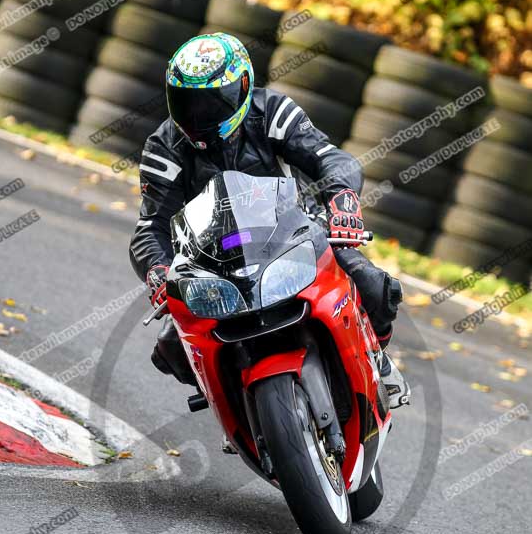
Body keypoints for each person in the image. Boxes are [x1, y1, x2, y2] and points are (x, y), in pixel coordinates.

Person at [130, 32, 410, 416]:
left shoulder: (273, 111)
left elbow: (330, 159)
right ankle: (237, 403)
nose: (199, 115)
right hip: (214, 260)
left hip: (293, 233)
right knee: (171, 350)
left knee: (373, 285)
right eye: (187, 102)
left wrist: (342, 201)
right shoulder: (163, 147)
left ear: (243, 85)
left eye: (213, 101)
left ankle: (378, 361)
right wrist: (159, 271)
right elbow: (150, 227)